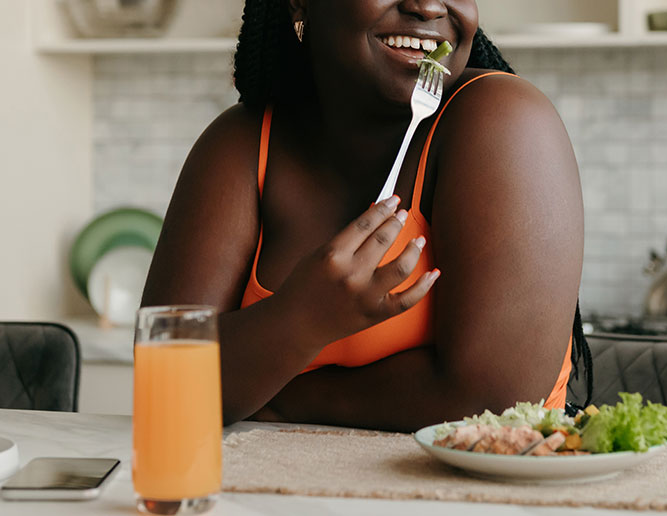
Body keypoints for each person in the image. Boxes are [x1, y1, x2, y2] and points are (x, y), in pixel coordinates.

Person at [141, 0, 592, 432]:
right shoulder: (239, 145)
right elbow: (164, 381)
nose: (429, 6)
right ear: (300, 2)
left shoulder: (505, 120)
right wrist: (303, 318)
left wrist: (276, 393)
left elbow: (492, 399)